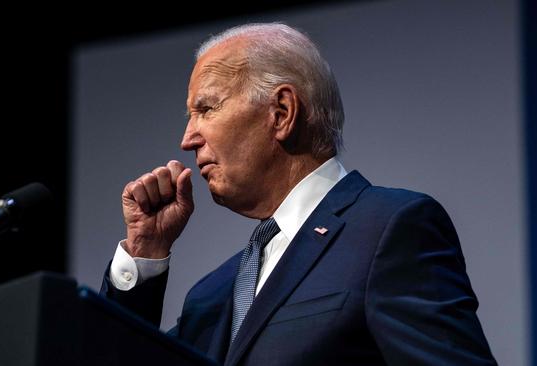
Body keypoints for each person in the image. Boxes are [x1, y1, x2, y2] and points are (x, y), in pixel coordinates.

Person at [101, 23, 496, 365]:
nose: (187, 139)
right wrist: (145, 250)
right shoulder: (212, 295)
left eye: (206, 108)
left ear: (282, 113)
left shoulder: (389, 231)